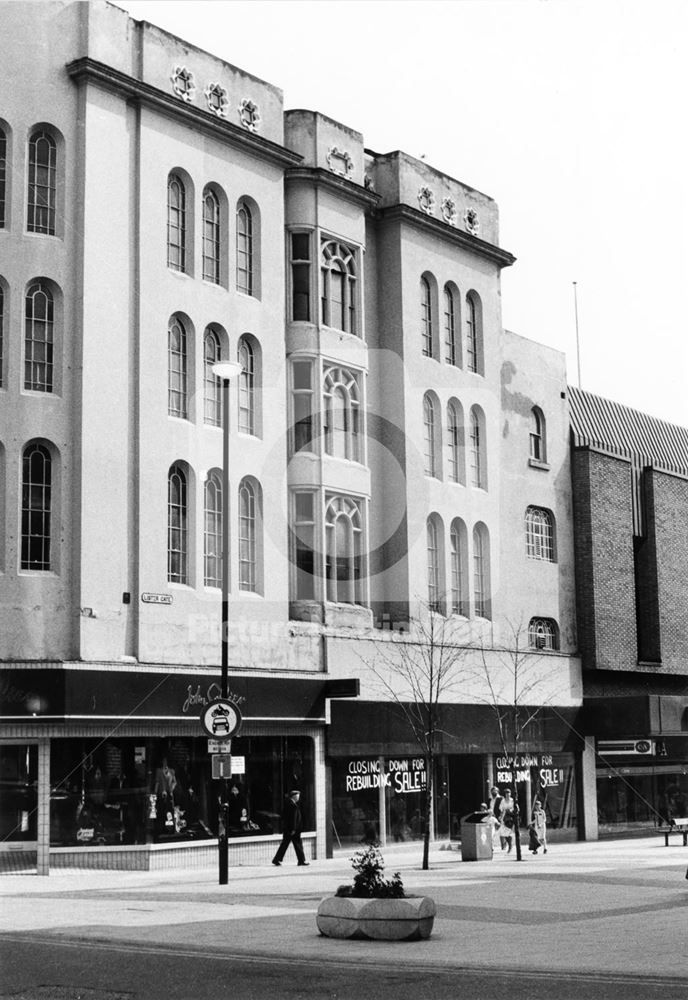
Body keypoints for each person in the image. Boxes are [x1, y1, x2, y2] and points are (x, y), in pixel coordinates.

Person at [272, 789, 309, 867]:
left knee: (285, 844)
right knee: (298, 845)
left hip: (289, 829)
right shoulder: (292, 805)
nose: (299, 797)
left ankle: (276, 859)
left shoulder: (289, 804)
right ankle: (301, 861)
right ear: (294, 796)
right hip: (293, 830)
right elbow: (293, 819)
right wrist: (293, 829)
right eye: (298, 795)